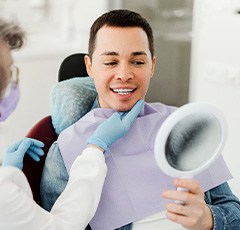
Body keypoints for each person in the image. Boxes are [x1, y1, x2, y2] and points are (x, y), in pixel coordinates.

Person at [0, 2, 145, 229]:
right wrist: (95, 148)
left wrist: (8, 172)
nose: (124, 74)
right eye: (8, 74)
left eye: (138, 61)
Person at [40, 9, 240, 230]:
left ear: (152, 66)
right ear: (90, 67)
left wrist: (207, 219)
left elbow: (234, 212)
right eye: (110, 62)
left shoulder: (185, 128)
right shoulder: (65, 152)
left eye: (137, 62)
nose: (124, 74)